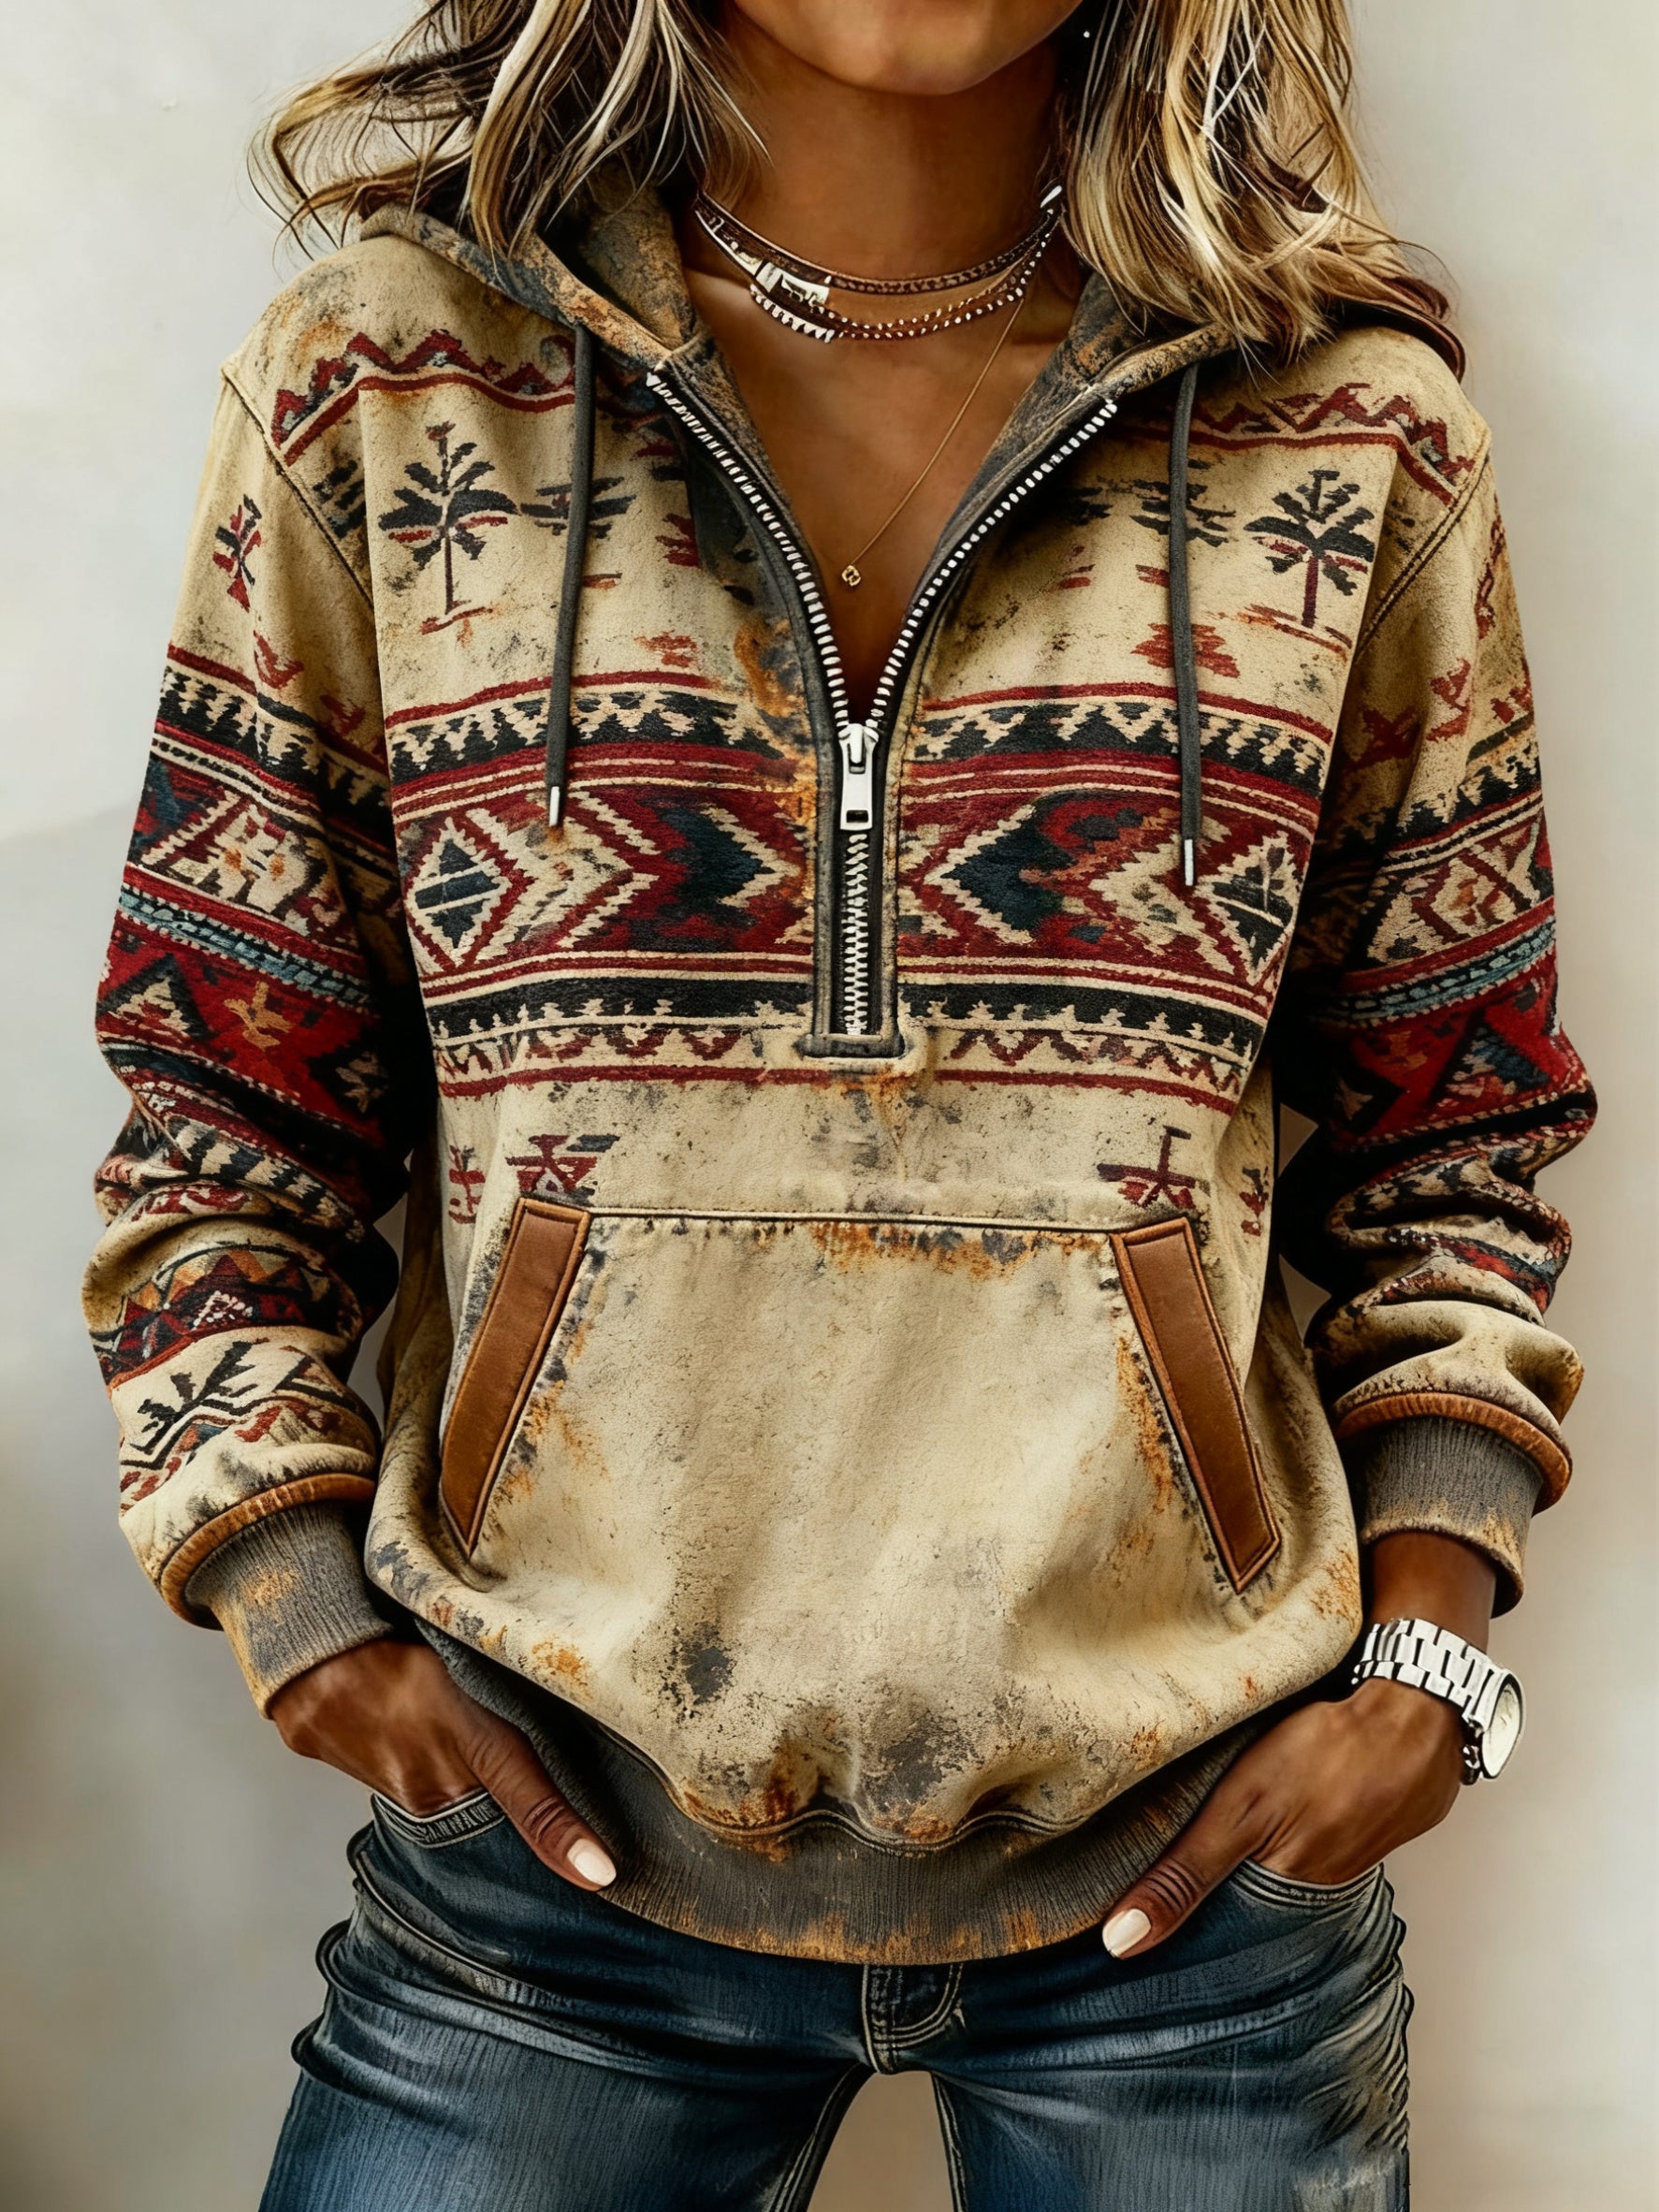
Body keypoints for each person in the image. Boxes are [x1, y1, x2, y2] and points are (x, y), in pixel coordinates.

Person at [82, 2, 1594, 2205]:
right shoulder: (388, 389)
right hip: (543, 1865)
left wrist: (1424, 1657)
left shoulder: (1345, 435)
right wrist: (289, 1595)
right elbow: (219, 1108)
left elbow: (1450, 1131)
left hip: (1198, 1871)